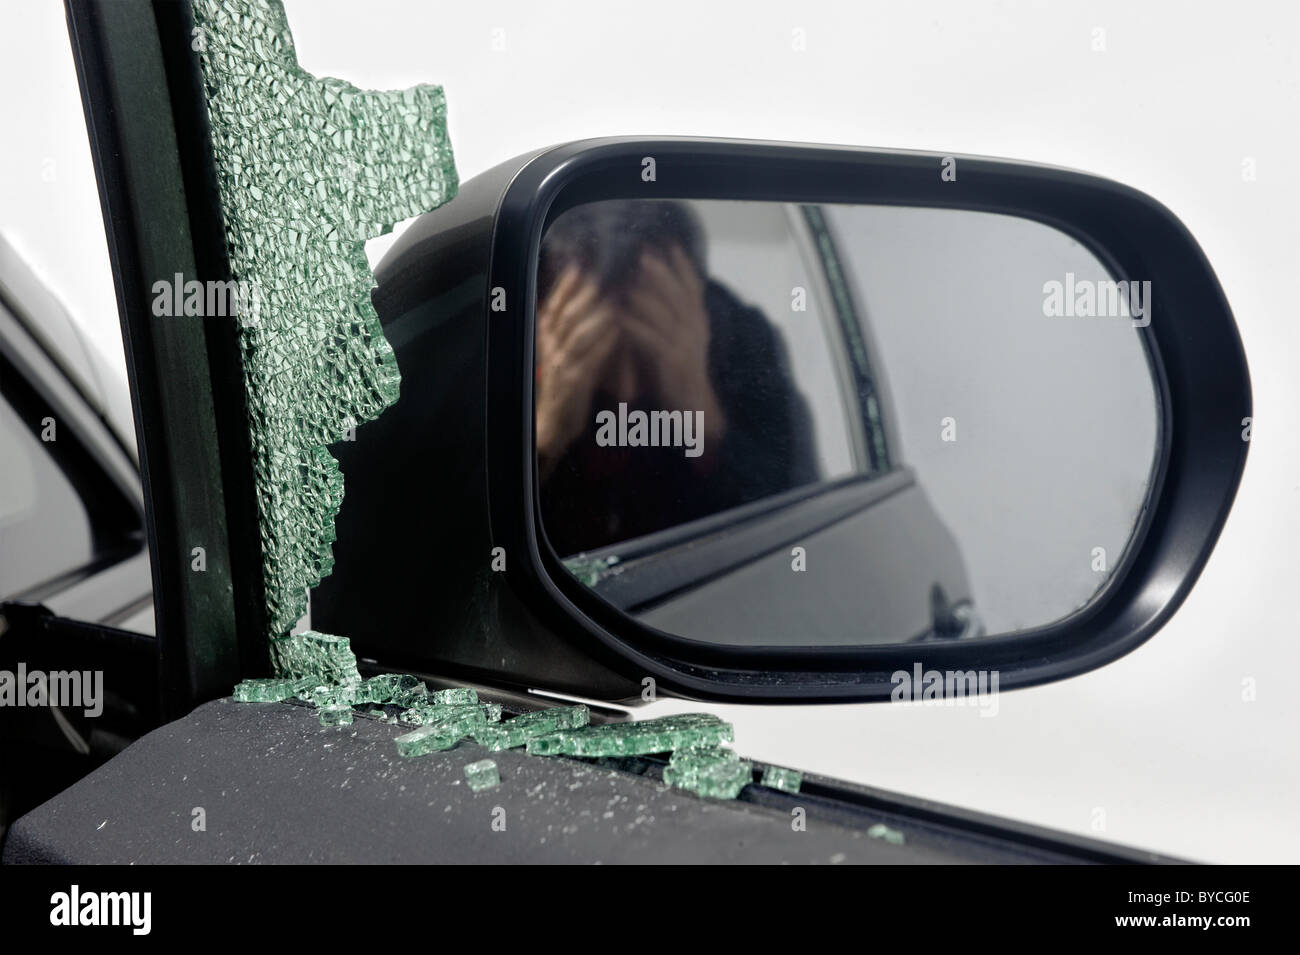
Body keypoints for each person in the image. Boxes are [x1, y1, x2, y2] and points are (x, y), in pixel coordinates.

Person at [535, 199, 817, 557]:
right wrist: (544, 437)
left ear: (698, 316)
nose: (625, 392)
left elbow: (797, 523)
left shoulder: (745, 347)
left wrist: (703, 417)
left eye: (644, 358)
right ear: (545, 318)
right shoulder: (510, 353)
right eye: (598, 357)